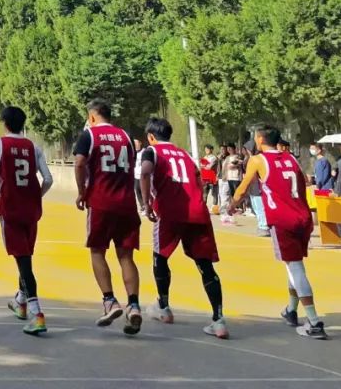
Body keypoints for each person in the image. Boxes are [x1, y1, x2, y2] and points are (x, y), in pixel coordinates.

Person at [229, 125, 326, 339]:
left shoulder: (258, 160)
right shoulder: (291, 159)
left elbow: (243, 188)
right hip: (302, 218)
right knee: (293, 264)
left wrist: (231, 205)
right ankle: (291, 310)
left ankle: (314, 321)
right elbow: (304, 182)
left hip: (283, 220)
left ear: (260, 139)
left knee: (296, 268)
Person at [139, 118, 228, 339]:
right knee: (205, 265)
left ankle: (163, 306)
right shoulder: (185, 154)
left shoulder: (152, 151)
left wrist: (146, 203)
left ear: (151, 136)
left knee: (160, 257)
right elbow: (199, 179)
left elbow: (145, 171)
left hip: (170, 211)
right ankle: (218, 321)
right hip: (196, 211)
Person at [73, 99, 142, 335]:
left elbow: (79, 162)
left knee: (97, 251)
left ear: (92, 116)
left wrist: (82, 191)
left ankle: (110, 300)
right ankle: (134, 305)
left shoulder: (89, 135)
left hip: (101, 201)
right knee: (126, 256)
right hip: (127, 203)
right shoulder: (126, 137)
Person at [0, 105, 53, 336]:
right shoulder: (34, 147)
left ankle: (36, 312)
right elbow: (48, 179)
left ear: (4, 123)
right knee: (25, 255)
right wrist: (36, 195)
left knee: (23, 262)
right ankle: (20, 301)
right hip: (31, 209)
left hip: (10, 208)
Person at [133, 138, 146, 215]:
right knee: (137, 191)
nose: (135, 145)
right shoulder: (133, 152)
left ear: (140, 143)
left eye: (137, 143)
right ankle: (143, 206)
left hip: (143, 175)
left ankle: (147, 206)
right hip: (136, 175)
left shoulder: (144, 152)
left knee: (144, 191)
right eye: (134, 144)